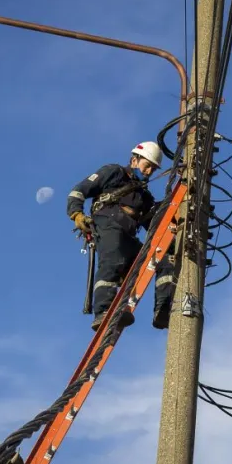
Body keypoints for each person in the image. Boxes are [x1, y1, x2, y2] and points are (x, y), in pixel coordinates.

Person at [67, 141, 177, 331]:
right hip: (108, 225)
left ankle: (163, 310)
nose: (149, 171)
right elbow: (79, 190)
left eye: (153, 168)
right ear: (134, 160)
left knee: (164, 260)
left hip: (128, 236)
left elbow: (152, 224)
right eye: (147, 165)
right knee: (113, 259)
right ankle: (103, 312)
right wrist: (77, 214)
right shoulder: (114, 172)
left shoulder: (144, 197)